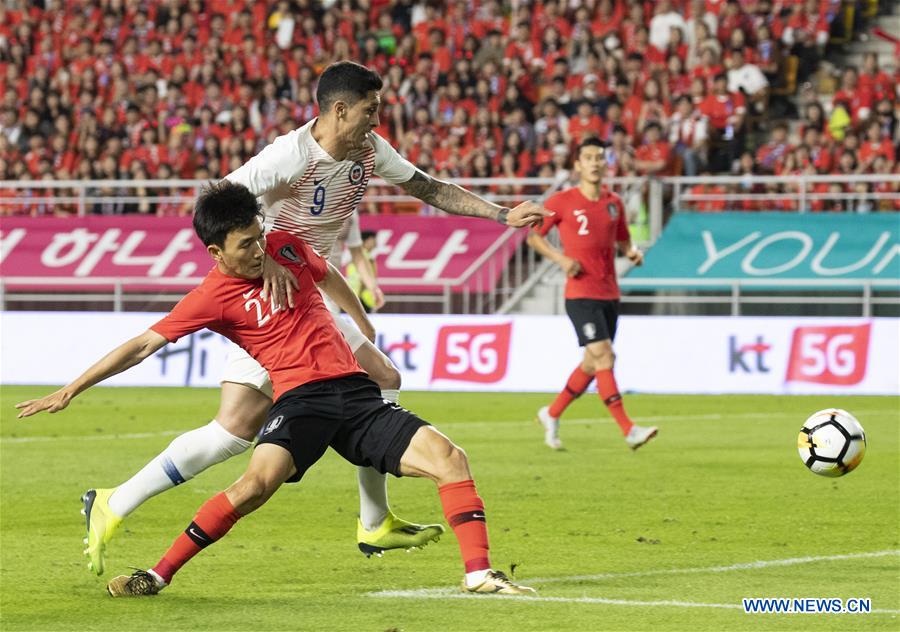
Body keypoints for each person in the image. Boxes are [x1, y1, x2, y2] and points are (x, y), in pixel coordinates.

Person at [72, 60, 549, 576]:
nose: (379, 118)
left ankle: (374, 519)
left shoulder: (368, 151)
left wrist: (502, 214)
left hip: (306, 288)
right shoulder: (288, 156)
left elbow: (429, 188)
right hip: (267, 293)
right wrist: (270, 256)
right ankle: (115, 503)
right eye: (371, 109)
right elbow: (216, 201)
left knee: (377, 378)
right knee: (232, 431)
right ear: (340, 109)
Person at [17, 181, 535, 598]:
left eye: (258, 235)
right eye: (246, 245)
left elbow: (327, 271)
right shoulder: (211, 296)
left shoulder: (283, 246)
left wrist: (359, 320)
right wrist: (71, 389)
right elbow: (140, 345)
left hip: (355, 396)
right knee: (251, 487)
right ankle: (156, 575)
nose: (258, 248)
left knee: (451, 458)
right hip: (299, 402)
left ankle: (479, 575)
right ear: (217, 252)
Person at [525, 138, 657, 451]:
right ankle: (629, 430)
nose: (595, 162)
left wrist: (634, 253)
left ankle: (551, 413)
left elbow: (624, 242)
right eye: (588, 157)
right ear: (578, 165)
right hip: (580, 293)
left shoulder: (614, 203)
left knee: (591, 363)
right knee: (606, 356)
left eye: (600, 157)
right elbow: (534, 238)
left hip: (609, 293)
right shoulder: (562, 201)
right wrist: (561, 259)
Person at [345, 229, 380, 313]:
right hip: (363, 298)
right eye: (373, 239)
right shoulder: (366, 258)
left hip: (352, 296)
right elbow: (364, 278)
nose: (375, 243)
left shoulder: (354, 258)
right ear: (367, 241)